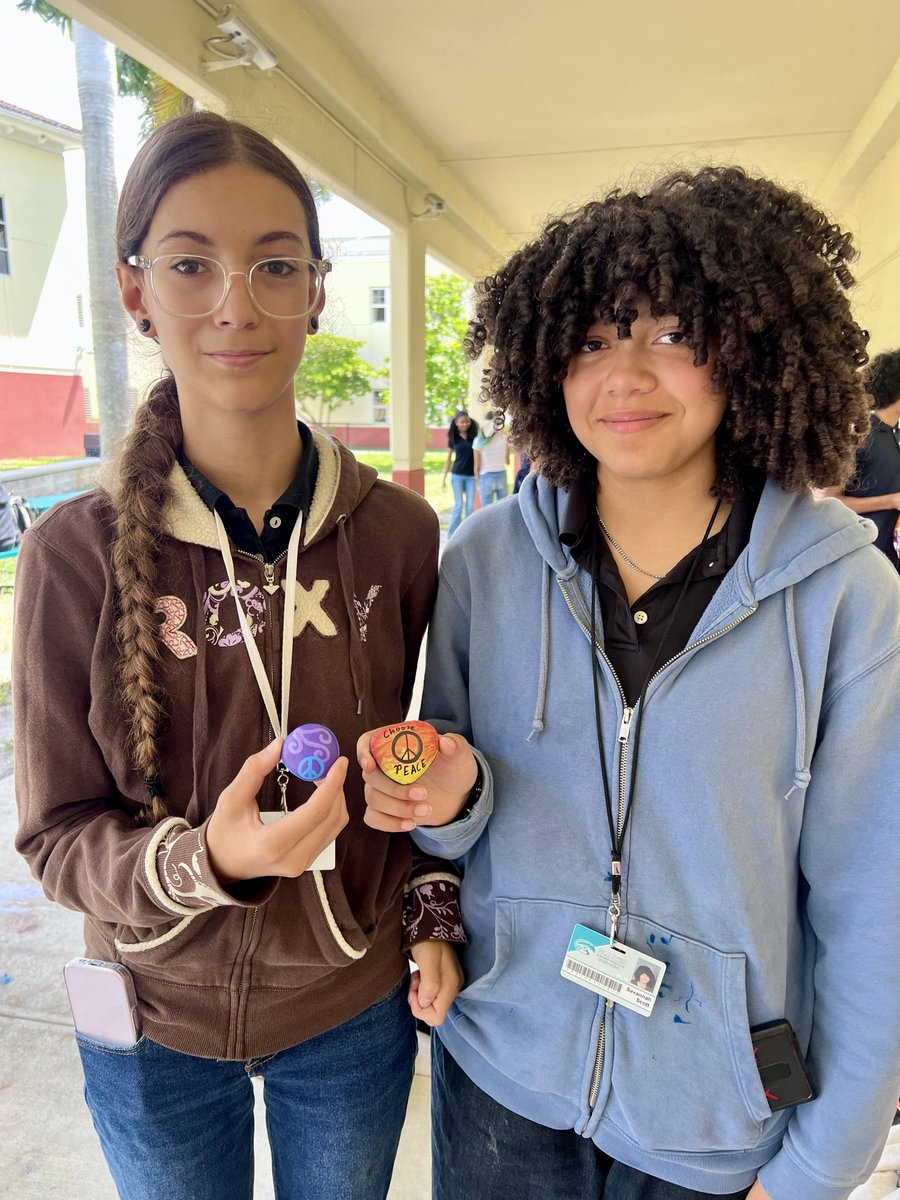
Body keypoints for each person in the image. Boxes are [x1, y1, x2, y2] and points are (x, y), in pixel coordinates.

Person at [360, 166, 900, 1200]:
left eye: (671, 333)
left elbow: (875, 903)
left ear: (750, 346)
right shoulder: (483, 563)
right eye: (596, 336)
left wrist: (821, 1165)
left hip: (713, 1120)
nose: (625, 376)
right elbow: (445, 823)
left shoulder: (846, 599)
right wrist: (444, 799)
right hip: (500, 1076)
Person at [13, 112, 463, 1200]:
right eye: (189, 264)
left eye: (274, 265)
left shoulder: (400, 538)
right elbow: (56, 836)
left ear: (315, 288)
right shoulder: (74, 554)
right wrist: (202, 864)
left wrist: (433, 917)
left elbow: (437, 755)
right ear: (135, 293)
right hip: (150, 1026)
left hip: (349, 1016)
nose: (235, 305)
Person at [829, 350, 900, 571]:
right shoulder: (860, 434)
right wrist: (891, 501)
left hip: (886, 560)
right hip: (856, 560)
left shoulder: (894, 434)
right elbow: (826, 501)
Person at [442, 409, 478, 535]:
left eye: (467, 422)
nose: (465, 424)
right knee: (458, 506)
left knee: (469, 507)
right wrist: (444, 478)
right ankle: (451, 536)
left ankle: (468, 534)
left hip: (471, 477)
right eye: (462, 422)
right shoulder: (453, 438)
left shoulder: (475, 437)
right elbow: (448, 459)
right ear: (456, 423)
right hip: (457, 475)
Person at [474, 410, 511, 507]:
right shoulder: (505, 437)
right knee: (503, 509)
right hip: (501, 474)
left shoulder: (478, 440)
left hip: (485, 476)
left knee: (486, 511)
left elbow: (477, 466)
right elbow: (507, 461)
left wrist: (477, 482)